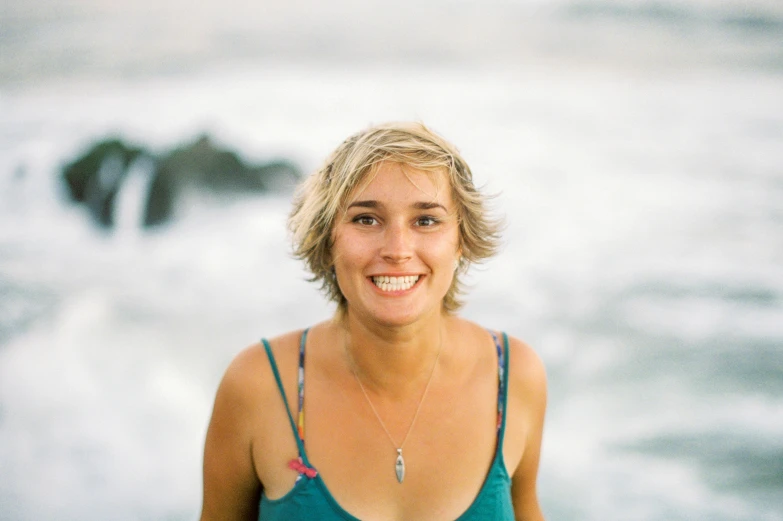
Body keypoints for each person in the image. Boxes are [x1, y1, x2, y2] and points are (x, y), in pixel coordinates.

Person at [199, 122, 548, 521]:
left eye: (426, 221)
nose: (397, 250)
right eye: (366, 219)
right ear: (327, 238)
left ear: (462, 240)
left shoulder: (515, 375)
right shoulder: (259, 386)